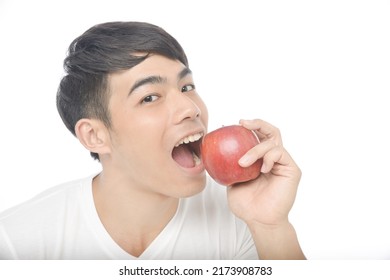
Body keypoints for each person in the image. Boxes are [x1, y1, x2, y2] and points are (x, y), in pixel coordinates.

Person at [0, 21, 305, 260]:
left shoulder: (240, 218)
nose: (191, 108)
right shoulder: (17, 242)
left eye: (187, 87)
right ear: (95, 135)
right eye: (150, 97)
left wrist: (271, 228)